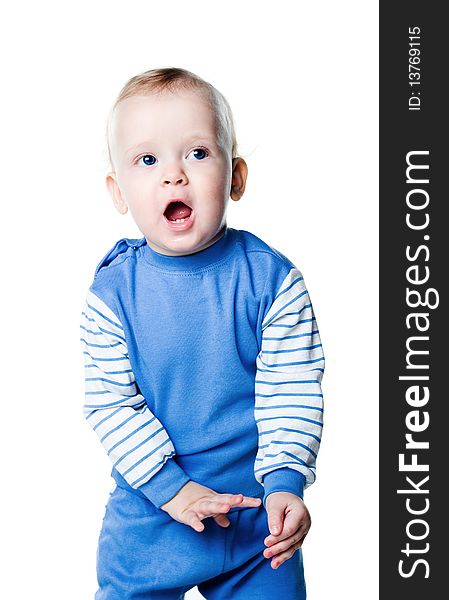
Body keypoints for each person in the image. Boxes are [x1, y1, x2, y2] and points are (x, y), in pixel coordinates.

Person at [80, 67, 325, 599]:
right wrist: (173, 491)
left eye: (196, 153)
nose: (173, 175)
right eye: (147, 160)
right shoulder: (112, 295)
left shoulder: (272, 281)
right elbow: (112, 404)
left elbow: (293, 389)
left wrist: (286, 482)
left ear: (236, 177)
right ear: (118, 191)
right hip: (151, 523)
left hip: (256, 527)